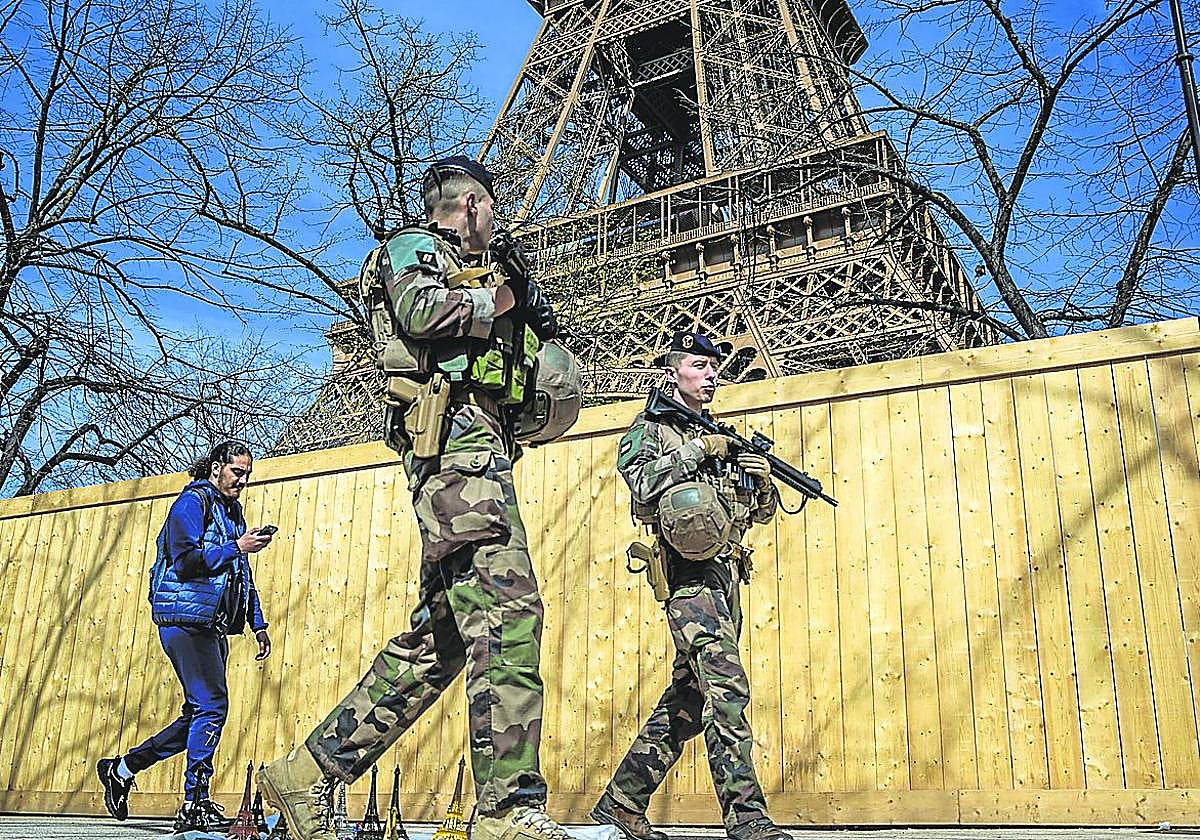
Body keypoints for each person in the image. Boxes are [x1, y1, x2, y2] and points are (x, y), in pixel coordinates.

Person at [258, 156, 566, 840]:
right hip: (458, 463)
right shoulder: (415, 247)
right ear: (470, 205)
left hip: (473, 458)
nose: (496, 220)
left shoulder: (467, 261)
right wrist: (505, 298)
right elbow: (424, 312)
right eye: (491, 208)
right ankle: (507, 810)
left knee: (441, 643)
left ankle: (307, 773)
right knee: (511, 617)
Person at [591, 331, 790, 840]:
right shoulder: (651, 430)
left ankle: (622, 802)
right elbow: (642, 482)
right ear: (675, 370)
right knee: (725, 691)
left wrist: (760, 479)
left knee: (686, 700)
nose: (712, 374)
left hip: (726, 578)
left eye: (715, 367)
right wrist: (702, 448)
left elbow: (755, 513)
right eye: (701, 365)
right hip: (687, 578)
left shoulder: (724, 437)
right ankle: (747, 819)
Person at [96, 440, 274, 833]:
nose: (242, 481)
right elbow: (188, 561)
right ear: (215, 468)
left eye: (247, 475)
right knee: (212, 706)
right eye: (236, 472)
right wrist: (237, 547)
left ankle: (122, 769)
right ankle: (195, 800)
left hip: (212, 623)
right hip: (183, 619)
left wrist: (257, 624)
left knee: (199, 714)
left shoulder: (232, 514)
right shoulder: (192, 503)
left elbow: (241, 575)